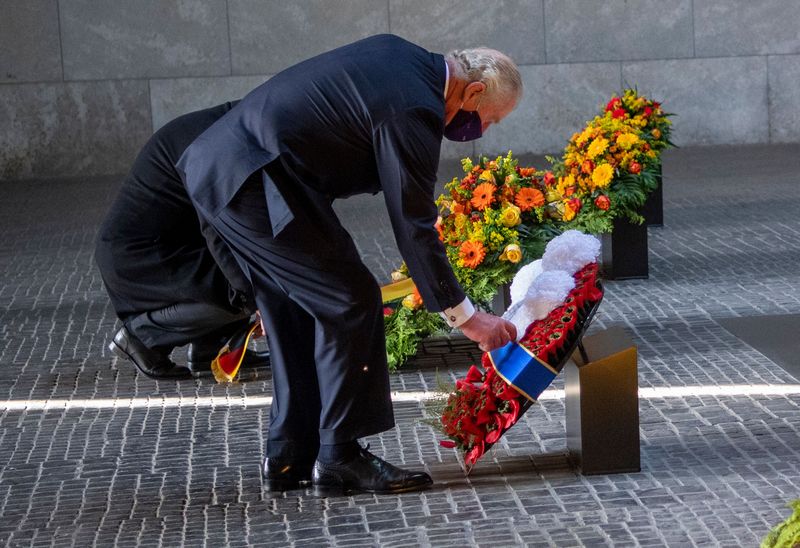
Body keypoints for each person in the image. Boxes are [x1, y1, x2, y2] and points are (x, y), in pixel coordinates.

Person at [177, 34, 522, 495]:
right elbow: (413, 222)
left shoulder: (398, 54)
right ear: (473, 93)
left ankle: (287, 455)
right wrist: (468, 318)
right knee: (351, 300)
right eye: (488, 120)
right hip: (259, 182)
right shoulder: (416, 108)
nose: (480, 130)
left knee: (293, 306)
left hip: (224, 168)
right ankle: (339, 455)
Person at [95, 102, 270, 380]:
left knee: (247, 277)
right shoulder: (219, 143)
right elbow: (217, 233)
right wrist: (259, 302)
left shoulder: (228, 126)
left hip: (164, 245)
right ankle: (142, 337)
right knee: (241, 289)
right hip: (140, 257)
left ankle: (211, 348)